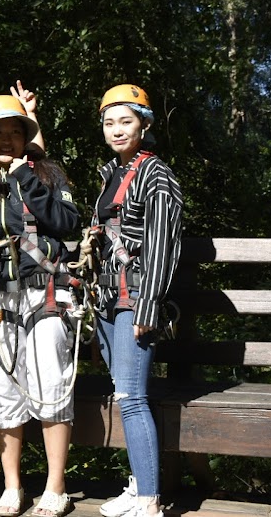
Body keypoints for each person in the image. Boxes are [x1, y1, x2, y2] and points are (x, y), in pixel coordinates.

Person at [0, 94, 79, 517]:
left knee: (51, 381)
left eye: (14, 132)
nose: (6, 140)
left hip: (46, 292)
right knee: (2, 388)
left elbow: (67, 224)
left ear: (26, 137)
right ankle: (12, 486)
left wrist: (26, 177)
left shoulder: (49, 174)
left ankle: (55, 486)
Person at [91, 84, 183, 517]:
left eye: (125, 121)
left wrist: (149, 305)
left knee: (131, 397)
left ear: (144, 124)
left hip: (135, 300)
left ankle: (149, 500)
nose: (116, 130)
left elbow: (164, 245)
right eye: (109, 122)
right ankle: (139, 485)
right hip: (109, 298)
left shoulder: (156, 176)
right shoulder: (113, 171)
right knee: (124, 392)